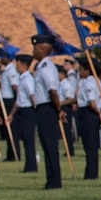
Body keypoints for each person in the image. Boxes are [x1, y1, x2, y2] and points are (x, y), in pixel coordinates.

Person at [28, 34, 65, 190]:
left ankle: (55, 181)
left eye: (35, 48)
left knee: (50, 146)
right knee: (46, 145)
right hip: (43, 108)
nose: (33, 51)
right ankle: (50, 179)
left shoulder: (46, 68)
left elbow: (53, 92)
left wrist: (59, 110)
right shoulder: (41, 66)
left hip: (48, 108)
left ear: (43, 48)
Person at [73, 60, 101, 180]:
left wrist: (99, 113)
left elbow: (92, 103)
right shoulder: (86, 82)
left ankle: (91, 174)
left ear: (88, 70)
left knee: (90, 145)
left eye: (81, 69)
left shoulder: (90, 83)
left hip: (89, 113)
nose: (79, 72)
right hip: (85, 111)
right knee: (88, 145)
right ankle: (90, 172)